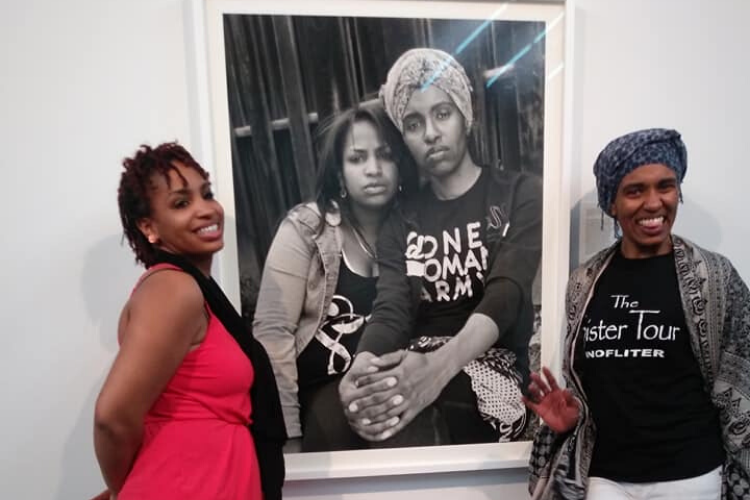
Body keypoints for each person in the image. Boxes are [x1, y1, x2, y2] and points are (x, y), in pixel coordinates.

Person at [525, 128, 750, 500]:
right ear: (611, 203)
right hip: (606, 479)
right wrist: (574, 416)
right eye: (634, 191)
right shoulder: (584, 284)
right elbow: (606, 386)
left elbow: (740, 384)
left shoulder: (714, 278)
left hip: (690, 479)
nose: (653, 203)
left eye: (665, 186)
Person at [338, 48, 543, 445]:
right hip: (416, 360)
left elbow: (506, 292)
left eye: (442, 114)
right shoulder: (401, 218)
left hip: (492, 362)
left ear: (466, 115)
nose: (430, 132)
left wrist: (437, 370)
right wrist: (360, 370)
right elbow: (392, 307)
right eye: (414, 123)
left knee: (423, 418)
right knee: (344, 414)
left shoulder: (519, 193)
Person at [93, 142, 286, 500]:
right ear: (149, 227)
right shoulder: (173, 288)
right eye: (182, 203)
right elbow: (112, 416)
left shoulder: (195, 291)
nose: (206, 209)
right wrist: (128, 488)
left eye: (206, 194)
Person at [253, 102, 419, 452]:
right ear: (340, 175)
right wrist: (290, 435)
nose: (373, 169)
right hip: (320, 394)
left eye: (385, 156)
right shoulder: (306, 229)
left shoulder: (419, 229)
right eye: (357, 159)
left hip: (394, 391)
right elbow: (273, 334)